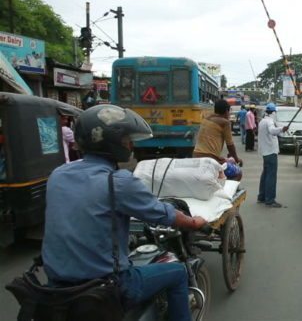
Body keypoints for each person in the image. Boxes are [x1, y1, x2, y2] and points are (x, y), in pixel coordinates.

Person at [42, 105, 207, 321]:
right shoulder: (119, 182)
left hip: (56, 285)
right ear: (114, 143)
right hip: (107, 284)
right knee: (177, 273)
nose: (130, 144)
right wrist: (194, 222)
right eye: (127, 139)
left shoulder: (58, 175)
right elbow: (163, 213)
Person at [193, 99, 243, 180]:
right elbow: (230, 145)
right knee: (237, 173)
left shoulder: (206, 118)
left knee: (228, 162)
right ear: (226, 111)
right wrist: (237, 159)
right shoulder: (225, 122)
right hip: (210, 159)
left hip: (196, 156)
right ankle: (225, 192)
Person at [257, 103, 288, 208]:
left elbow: (273, 132)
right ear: (273, 112)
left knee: (265, 174)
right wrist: (281, 129)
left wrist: (281, 129)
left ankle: (261, 197)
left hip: (265, 152)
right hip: (270, 152)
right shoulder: (269, 121)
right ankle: (270, 200)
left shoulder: (263, 121)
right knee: (271, 176)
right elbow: (272, 131)